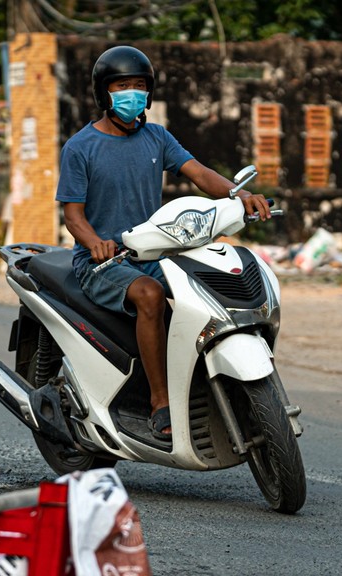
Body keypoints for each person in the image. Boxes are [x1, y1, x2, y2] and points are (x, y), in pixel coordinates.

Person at [56, 45, 270, 441]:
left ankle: (219, 384)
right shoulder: (80, 147)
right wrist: (96, 243)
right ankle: (160, 402)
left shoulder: (156, 137)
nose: (132, 93)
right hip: (103, 262)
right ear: (104, 93)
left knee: (211, 286)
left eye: (139, 85)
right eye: (122, 86)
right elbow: (73, 216)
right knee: (151, 296)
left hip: (153, 251)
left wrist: (238, 196)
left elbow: (201, 174)